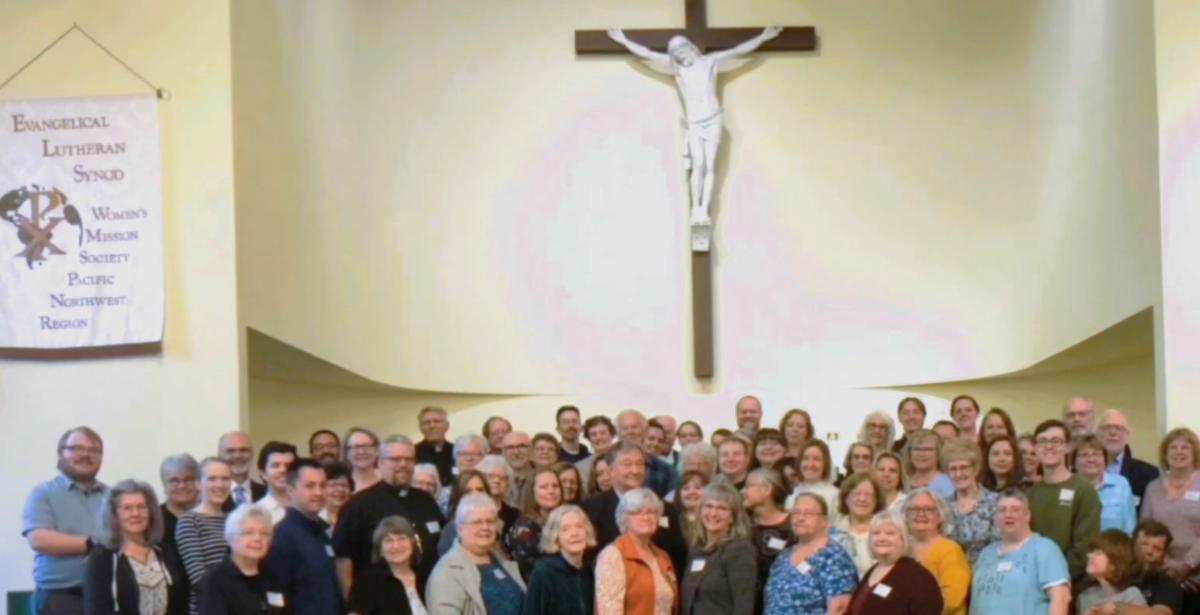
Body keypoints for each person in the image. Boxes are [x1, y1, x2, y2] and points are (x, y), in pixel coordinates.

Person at [604, 26, 782, 226]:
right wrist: (624, 41)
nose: (681, 56)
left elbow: (738, 50)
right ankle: (696, 209)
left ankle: (704, 208)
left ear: (690, 48)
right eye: (676, 55)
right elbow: (648, 54)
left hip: (713, 118)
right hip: (695, 122)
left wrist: (763, 37)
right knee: (698, 164)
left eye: (682, 51)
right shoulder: (678, 68)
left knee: (710, 166)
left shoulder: (710, 61)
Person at [333, 435, 445, 593]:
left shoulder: (426, 500)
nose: (403, 464)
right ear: (380, 462)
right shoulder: (358, 505)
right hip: (380, 597)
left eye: (409, 459)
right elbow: (343, 560)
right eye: (395, 459)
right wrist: (350, 600)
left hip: (428, 593)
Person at [582, 442, 688, 574]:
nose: (635, 470)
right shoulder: (590, 510)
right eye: (627, 464)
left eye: (639, 464)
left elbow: (678, 557)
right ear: (611, 470)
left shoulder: (665, 509)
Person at [83, 480, 186, 615]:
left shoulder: (165, 551)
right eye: (127, 508)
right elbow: (97, 609)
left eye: (141, 507)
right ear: (114, 514)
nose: (136, 513)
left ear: (151, 511)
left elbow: (180, 600)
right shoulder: (102, 557)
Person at [969, 490, 1070, 615]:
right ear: (996, 517)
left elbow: (1061, 598)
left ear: (1027, 515)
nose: (1008, 514)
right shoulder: (986, 554)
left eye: (1015, 510)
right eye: (1002, 510)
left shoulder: (1045, 548)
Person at [263, 459, 341, 615]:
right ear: (290, 490)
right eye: (310, 486)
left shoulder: (322, 534)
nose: (318, 492)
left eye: (322, 486)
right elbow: (275, 598)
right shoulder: (282, 537)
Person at [1027, 419, 1101, 583]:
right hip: (1032, 580)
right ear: (1036, 448)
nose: (1049, 446)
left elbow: (1084, 546)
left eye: (1056, 441)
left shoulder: (1083, 490)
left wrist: (1054, 577)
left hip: (1069, 582)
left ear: (1067, 447)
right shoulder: (1029, 494)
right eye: (1042, 441)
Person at [427, 494, 525, 615]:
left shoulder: (502, 562)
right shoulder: (446, 573)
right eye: (477, 522)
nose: (485, 527)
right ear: (460, 529)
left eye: (490, 521)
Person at [763, 493, 858, 615]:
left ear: (824, 521)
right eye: (796, 513)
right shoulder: (784, 556)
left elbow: (840, 608)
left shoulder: (834, 557)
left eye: (808, 514)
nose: (800, 518)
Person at [1140, 427, 1200, 611]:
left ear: (1195, 453)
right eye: (1173, 447)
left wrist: (1187, 565)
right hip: (1162, 573)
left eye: (1185, 447)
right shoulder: (1153, 488)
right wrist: (1166, 565)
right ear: (1165, 454)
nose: (1178, 452)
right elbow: (1145, 529)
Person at [595, 488, 679, 615]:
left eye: (651, 512)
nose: (646, 517)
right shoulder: (613, 556)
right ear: (624, 518)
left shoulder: (662, 556)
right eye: (637, 512)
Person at [846, 511, 943, 615]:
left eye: (890, 533)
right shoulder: (873, 570)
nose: (881, 538)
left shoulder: (917, 576)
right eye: (876, 533)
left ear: (903, 539)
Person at [679, 483, 756, 615]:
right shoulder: (696, 549)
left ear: (733, 517)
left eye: (722, 508)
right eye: (708, 506)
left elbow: (744, 604)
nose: (713, 513)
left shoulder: (739, 550)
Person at [194, 505, 283, 615]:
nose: (257, 538)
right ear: (229, 537)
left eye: (264, 533)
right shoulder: (213, 580)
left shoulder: (273, 577)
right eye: (248, 532)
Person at [175, 457, 232, 615]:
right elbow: (199, 579)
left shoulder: (234, 520)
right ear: (198, 484)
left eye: (225, 479)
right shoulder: (189, 521)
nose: (220, 485)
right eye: (212, 479)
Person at [903, 489, 970, 615]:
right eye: (915, 509)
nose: (921, 514)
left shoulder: (950, 549)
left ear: (940, 516)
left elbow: (952, 598)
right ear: (906, 515)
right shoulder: (900, 549)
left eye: (928, 509)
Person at [522, 505, 596, 615]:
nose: (574, 533)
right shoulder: (543, 573)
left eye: (579, 526)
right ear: (556, 537)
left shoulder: (591, 571)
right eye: (565, 529)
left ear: (587, 531)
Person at [347, 516, 427, 615]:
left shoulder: (425, 576)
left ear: (412, 543)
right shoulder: (369, 581)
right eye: (388, 540)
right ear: (379, 549)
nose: (396, 546)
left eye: (402, 538)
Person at [742, 468, 792, 612]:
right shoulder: (743, 524)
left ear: (766, 489)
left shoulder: (793, 525)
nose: (743, 491)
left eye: (748, 486)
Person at [944, 439, 1000, 564]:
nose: (958, 474)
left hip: (988, 568)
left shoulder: (995, 502)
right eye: (953, 469)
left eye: (964, 467)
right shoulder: (942, 506)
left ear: (975, 469)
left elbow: (999, 545)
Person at [504, 468, 563, 579]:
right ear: (532, 492)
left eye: (555, 486)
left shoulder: (566, 518)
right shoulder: (524, 528)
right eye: (544, 487)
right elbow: (534, 572)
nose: (551, 491)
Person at [1098, 409, 1160, 513]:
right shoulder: (1083, 470)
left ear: (1127, 435)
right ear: (1098, 434)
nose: (1113, 432)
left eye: (1119, 428)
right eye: (1107, 427)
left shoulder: (1149, 474)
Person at [1073, 434, 1137, 533]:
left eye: (1096, 454)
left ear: (1105, 459)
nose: (1091, 459)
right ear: (1073, 461)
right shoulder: (1067, 486)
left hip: (1116, 543)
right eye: (1084, 455)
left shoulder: (1121, 484)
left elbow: (1130, 526)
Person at [1076, 529, 1148, 613]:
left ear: (1115, 562)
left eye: (1098, 553)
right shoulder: (1084, 597)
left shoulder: (1131, 595)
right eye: (1092, 551)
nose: (1089, 555)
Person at [615, 409, 678, 497]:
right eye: (651, 438)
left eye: (660, 441)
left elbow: (670, 500)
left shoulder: (667, 471)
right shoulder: (610, 461)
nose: (655, 444)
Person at [833, 472, 884, 577]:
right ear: (846, 498)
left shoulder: (887, 531)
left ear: (877, 500)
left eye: (868, 494)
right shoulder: (833, 535)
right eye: (856, 494)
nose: (862, 499)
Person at [436, 469, 495, 558]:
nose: (475, 494)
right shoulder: (451, 530)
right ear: (458, 495)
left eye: (480, 490)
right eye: (468, 491)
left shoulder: (495, 522)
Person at [158, 455, 199, 577]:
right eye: (174, 481)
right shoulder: (153, 519)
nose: (182, 485)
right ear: (164, 485)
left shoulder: (208, 516)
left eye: (188, 479)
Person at [1132, 519, 1185, 615]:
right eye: (1144, 544)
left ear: (1164, 555)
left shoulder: (1169, 586)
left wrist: (1116, 607)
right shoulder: (1116, 577)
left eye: (1157, 548)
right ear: (1133, 544)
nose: (1149, 551)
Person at [787, 439, 839, 514]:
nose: (810, 464)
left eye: (817, 459)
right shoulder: (793, 492)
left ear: (825, 464)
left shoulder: (834, 495)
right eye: (806, 458)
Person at [255, 441, 298, 526]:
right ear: (263, 474)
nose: (283, 470)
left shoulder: (311, 506)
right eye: (275, 465)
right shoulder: (256, 512)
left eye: (288, 465)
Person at [902, 430, 954, 500]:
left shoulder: (947, 484)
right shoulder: (902, 481)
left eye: (928, 449)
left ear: (939, 452)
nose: (921, 454)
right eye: (916, 449)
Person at [218, 432, 265, 509]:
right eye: (231, 451)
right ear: (220, 456)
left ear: (252, 454)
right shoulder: (211, 495)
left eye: (243, 450)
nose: (238, 456)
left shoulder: (266, 494)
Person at [575, 416, 617, 495]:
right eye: (593, 434)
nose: (598, 437)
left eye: (603, 433)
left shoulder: (624, 460)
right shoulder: (580, 468)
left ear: (612, 435)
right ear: (589, 438)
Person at [415, 406, 454, 485]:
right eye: (427, 422)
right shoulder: (412, 452)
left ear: (447, 426)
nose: (432, 426)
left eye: (437, 421)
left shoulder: (457, 451)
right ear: (420, 428)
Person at [344, 427, 382, 493]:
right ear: (347, 453)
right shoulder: (343, 486)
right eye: (355, 447)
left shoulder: (389, 479)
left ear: (377, 450)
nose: (361, 452)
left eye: (366, 446)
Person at [678, 470, 710, 546]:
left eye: (697, 488)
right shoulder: (674, 519)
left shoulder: (713, 518)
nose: (691, 492)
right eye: (686, 488)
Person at [502, 431, 535, 506]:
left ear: (531, 449)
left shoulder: (542, 479)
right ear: (503, 452)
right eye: (510, 447)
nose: (516, 452)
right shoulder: (496, 481)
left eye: (521, 446)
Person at [321, 462, 354, 527]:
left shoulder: (355, 518)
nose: (340, 489)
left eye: (344, 485)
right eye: (333, 485)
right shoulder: (313, 518)